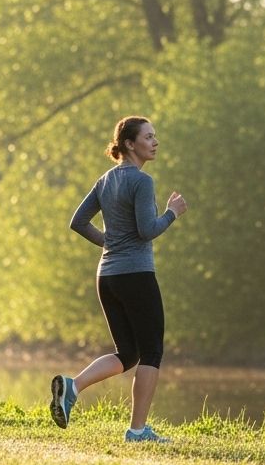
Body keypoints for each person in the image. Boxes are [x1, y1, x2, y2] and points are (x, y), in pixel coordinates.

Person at [50, 115, 188, 442]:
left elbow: (78, 222)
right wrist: (172, 213)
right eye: (148, 137)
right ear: (129, 143)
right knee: (151, 351)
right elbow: (146, 230)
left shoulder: (105, 180)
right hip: (136, 274)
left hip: (107, 277)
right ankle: (138, 431)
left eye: (155, 136)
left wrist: (109, 243)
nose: (155, 142)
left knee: (128, 353)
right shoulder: (142, 181)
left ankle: (73, 386)